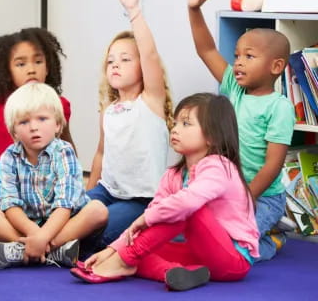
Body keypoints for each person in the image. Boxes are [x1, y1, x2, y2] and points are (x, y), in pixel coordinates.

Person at [71, 93, 259, 291]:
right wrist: (112, 251)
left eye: (186, 124)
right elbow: (151, 219)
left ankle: (120, 263)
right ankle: (174, 272)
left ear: (211, 136)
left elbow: (183, 205)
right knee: (143, 251)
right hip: (199, 255)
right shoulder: (173, 175)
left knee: (185, 209)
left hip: (233, 260)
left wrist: (145, 219)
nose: (175, 129)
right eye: (175, 123)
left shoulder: (219, 166)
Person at [187, 0, 295, 261]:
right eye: (236, 56)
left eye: (249, 56)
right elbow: (206, 50)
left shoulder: (279, 107)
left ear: (276, 66)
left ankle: (272, 237)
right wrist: (194, 9)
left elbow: (273, 165)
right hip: (225, 190)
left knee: (234, 247)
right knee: (190, 235)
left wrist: (245, 198)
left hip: (261, 197)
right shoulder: (233, 88)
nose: (238, 62)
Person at [0, 83, 108, 269]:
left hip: (64, 224)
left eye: (42, 119)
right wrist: (34, 234)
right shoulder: (8, 157)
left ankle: (33, 249)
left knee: (98, 210)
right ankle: (45, 250)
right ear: (14, 131)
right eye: (24, 122)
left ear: (58, 124)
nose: (33, 127)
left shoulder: (64, 152)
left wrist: (43, 237)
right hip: (26, 226)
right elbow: (10, 204)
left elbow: (65, 204)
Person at [86, 0, 173, 249]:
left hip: (142, 199)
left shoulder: (151, 101)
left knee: (101, 234)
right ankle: (64, 243)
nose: (115, 64)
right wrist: (87, 196)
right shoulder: (109, 110)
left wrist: (134, 10)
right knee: (71, 216)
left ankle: (71, 246)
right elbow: (100, 153)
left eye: (125, 59)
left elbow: (149, 54)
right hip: (108, 192)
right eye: (111, 60)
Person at [0, 27, 76, 158]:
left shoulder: (59, 104)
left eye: (38, 62)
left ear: (47, 68)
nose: (31, 69)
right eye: (21, 64)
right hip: (7, 177)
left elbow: (67, 147)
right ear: (7, 70)